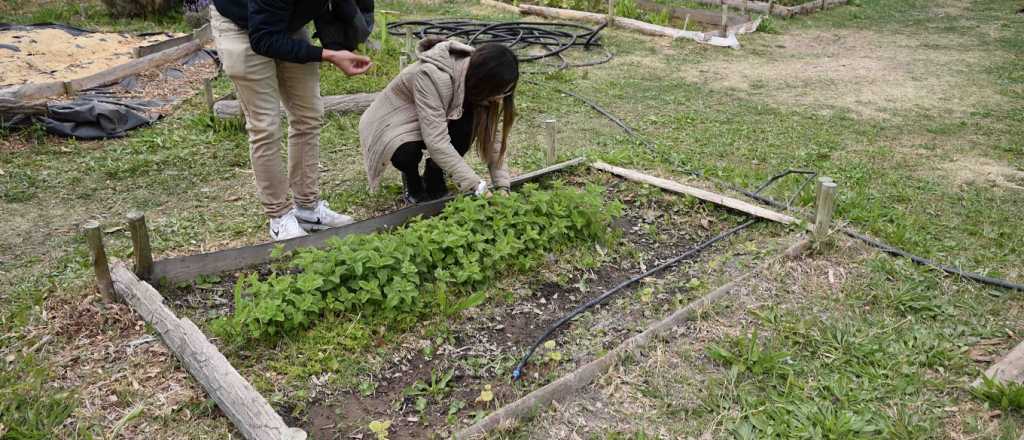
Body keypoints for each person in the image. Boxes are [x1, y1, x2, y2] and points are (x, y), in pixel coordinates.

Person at [210, 0, 374, 241]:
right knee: (265, 126)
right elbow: (264, 39)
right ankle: (279, 217)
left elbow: (345, 9)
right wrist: (327, 55)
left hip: (286, 20)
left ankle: (307, 207)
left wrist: (340, 44)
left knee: (308, 115)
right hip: (242, 26)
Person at [359, 38, 519, 203]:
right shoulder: (433, 75)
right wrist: (477, 186)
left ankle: (434, 175)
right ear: (485, 82)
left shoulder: (478, 84)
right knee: (406, 152)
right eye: (500, 92)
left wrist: (503, 186)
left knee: (467, 127)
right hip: (392, 122)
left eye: (506, 93)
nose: (500, 99)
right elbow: (436, 141)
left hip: (431, 117)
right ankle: (412, 181)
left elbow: (493, 138)